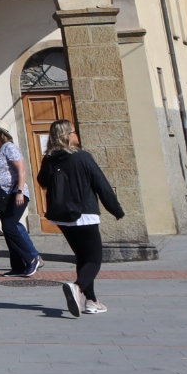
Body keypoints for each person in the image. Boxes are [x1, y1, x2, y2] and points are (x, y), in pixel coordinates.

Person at [36, 118, 124, 317]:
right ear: (67, 135)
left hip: (61, 216)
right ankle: (78, 287)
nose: (77, 135)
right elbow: (101, 184)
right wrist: (116, 209)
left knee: (83, 257)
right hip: (84, 213)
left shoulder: (49, 159)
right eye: (74, 131)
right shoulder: (82, 157)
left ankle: (91, 301)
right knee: (94, 258)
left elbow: (42, 180)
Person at [0, 119, 38, 277]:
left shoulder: (9, 148)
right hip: (1, 195)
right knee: (8, 228)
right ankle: (17, 267)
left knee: (10, 227)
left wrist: (19, 191)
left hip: (15, 194)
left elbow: (21, 170)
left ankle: (32, 259)